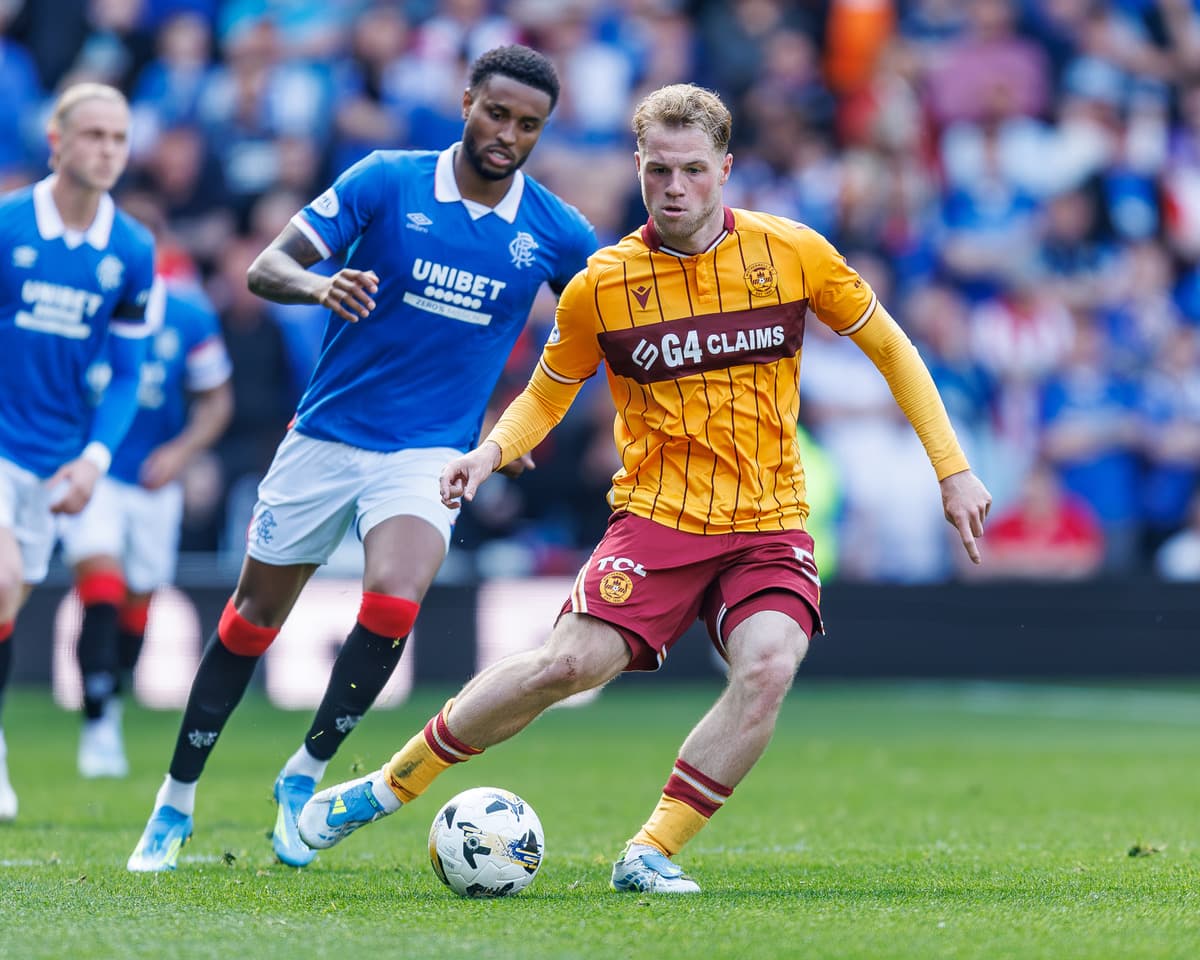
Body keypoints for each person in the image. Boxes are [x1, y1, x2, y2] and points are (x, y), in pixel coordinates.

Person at [296, 83, 992, 893]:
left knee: (768, 665)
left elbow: (893, 349)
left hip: (768, 519)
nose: (675, 188)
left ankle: (651, 850)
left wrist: (953, 467)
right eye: (659, 170)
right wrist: (487, 455)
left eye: (694, 170)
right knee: (566, 667)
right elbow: (550, 392)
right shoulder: (603, 284)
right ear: (638, 166)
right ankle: (389, 786)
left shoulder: (793, 253)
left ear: (726, 169)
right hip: (658, 519)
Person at [127, 44, 596, 872]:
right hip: (326, 438)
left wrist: (515, 430)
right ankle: (176, 797)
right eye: (496, 113)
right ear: (465, 101)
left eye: (527, 125)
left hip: (428, 454)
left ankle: (303, 776)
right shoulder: (387, 179)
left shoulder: (556, 232)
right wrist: (320, 286)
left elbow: (602, 331)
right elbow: (269, 266)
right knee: (251, 618)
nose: (507, 135)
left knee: (394, 600)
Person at [0, 83, 156, 821]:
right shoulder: (6, 225)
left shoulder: (131, 249)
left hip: (60, 454)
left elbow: (127, 372)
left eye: (119, 138)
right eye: (92, 134)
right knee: (1, 583)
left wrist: (95, 457)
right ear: (57, 142)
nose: (106, 149)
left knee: (12, 597)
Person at [60, 256, 233, 779]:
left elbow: (216, 400)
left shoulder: (188, 314)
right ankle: (97, 720)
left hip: (156, 481)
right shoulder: (78, 306)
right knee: (102, 587)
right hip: (94, 470)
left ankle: (113, 700)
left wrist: (182, 453)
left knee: (139, 596)